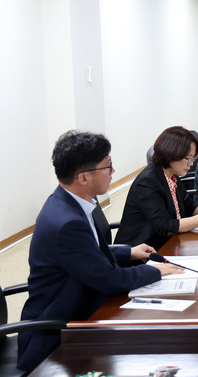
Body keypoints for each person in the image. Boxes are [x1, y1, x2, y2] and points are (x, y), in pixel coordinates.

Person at [18, 131, 182, 372]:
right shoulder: (67, 223)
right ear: (83, 177)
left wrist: (129, 253)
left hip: (81, 308)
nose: (113, 171)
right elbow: (110, 280)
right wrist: (155, 271)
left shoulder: (72, 202)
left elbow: (87, 255)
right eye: (107, 166)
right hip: (56, 333)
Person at [115, 126, 198, 249]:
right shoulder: (147, 182)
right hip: (144, 250)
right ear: (171, 154)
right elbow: (164, 227)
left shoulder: (172, 174)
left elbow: (188, 205)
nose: (191, 164)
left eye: (193, 158)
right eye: (188, 158)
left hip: (171, 241)